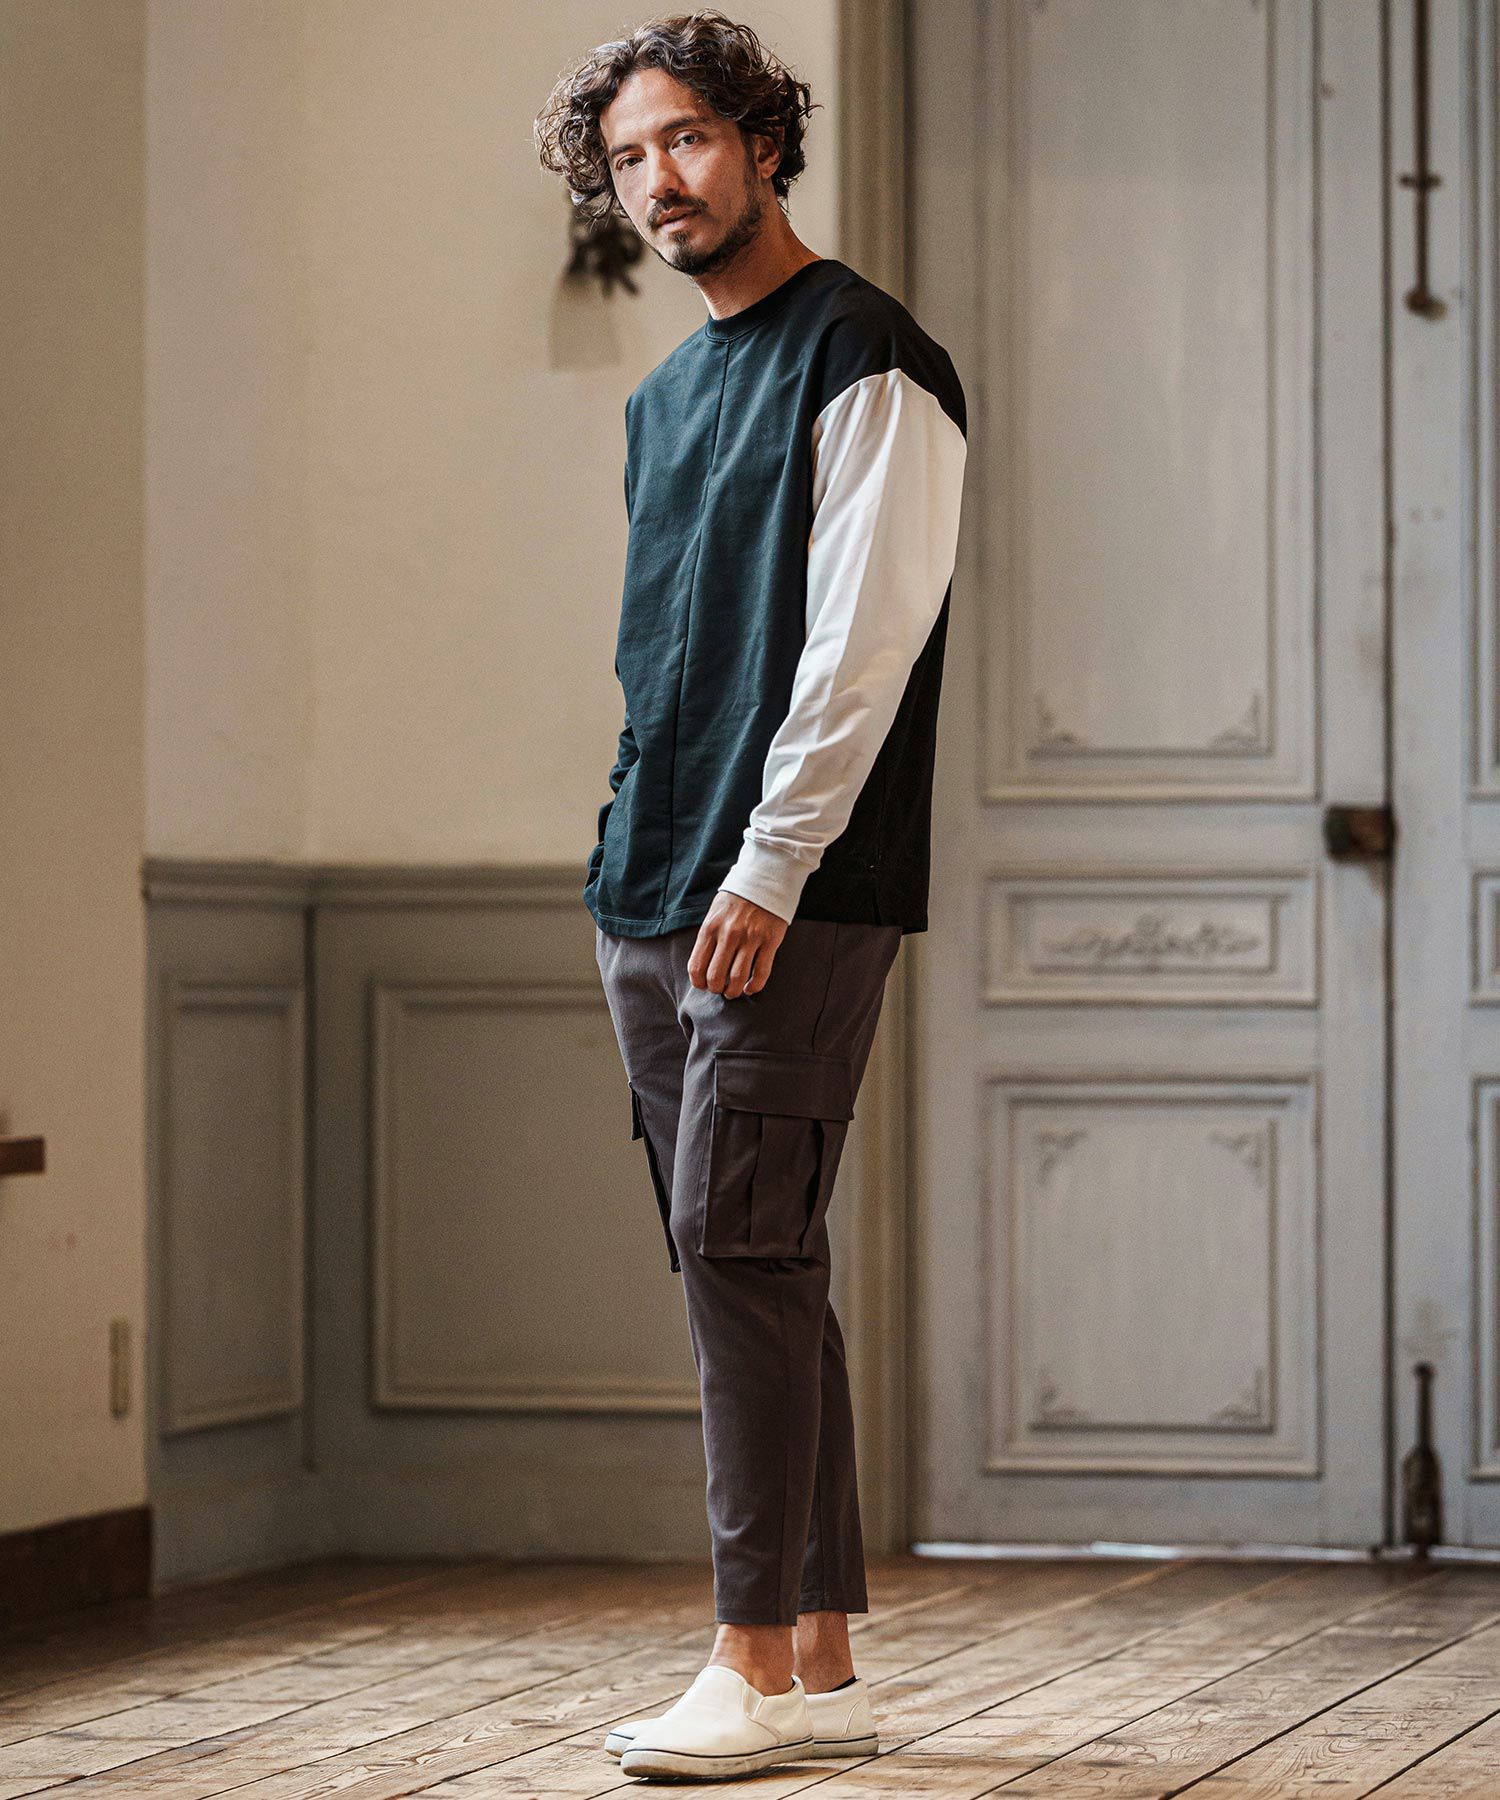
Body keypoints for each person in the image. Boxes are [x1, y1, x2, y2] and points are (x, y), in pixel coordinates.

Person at [535, 10, 967, 1782]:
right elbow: (663, 661)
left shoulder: (869, 355)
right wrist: (627, 860)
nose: (662, 180)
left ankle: (746, 1665)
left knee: (740, 1242)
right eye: (630, 157)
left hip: (787, 887)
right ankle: (820, 1658)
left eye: (690, 139)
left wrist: (773, 866)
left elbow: (866, 645)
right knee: (750, 1254)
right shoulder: (664, 399)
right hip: (649, 888)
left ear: (766, 142)